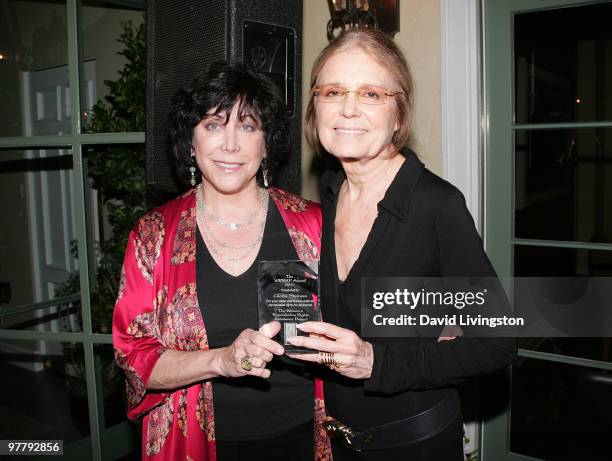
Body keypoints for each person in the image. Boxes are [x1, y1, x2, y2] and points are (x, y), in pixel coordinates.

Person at [287, 28, 518, 460]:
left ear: (398, 115)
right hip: (337, 442)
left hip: (414, 445)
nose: (348, 109)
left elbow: (497, 343)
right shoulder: (332, 191)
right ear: (315, 108)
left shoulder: (437, 205)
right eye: (333, 91)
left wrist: (378, 361)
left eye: (371, 93)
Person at [112, 62, 331, 461]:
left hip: (302, 438)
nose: (230, 145)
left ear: (266, 144)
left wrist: (432, 318)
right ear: (191, 143)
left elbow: (359, 309)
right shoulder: (154, 235)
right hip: (195, 444)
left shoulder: (312, 224)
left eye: (247, 127)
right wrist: (222, 360)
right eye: (213, 125)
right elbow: (135, 358)